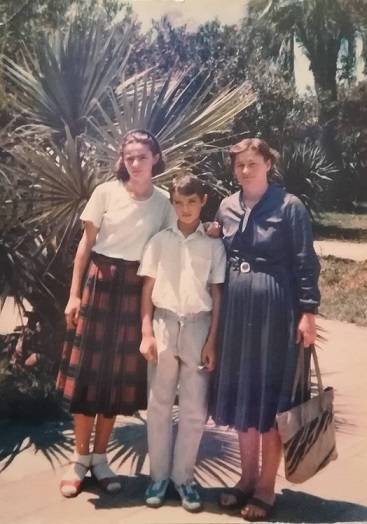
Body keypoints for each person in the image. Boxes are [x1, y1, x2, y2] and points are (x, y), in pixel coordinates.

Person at [56, 129, 176, 498]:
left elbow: (174, 244)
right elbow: (85, 247)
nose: (135, 163)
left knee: (115, 378)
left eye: (142, 156)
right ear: (122, 161)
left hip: (135, 291)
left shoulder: (164, 202)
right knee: (88, 375)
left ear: (155, 157)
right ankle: (80, 461)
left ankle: (101, 458)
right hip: (99, 284)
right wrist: (74, 295)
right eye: (129, 157)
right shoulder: (105, 193)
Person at [210, 138, 320, 521]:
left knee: (271, 398)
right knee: (244, 395)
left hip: (276, 312)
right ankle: (245, 479)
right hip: (237, 314)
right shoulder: (225, 206)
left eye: (253, 164)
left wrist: (308, 313)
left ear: (268, 164)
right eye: (239, 165)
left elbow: (306, 263)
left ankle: (266, 487)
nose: (245, 171)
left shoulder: (290, 207)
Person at [138, 174, 226, 512]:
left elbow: (217, 294)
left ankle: (183, 478)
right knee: (159, 404)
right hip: (162, 323)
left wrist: (212, 340)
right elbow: (147, 290)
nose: (185, 208)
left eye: (192, 202)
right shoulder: (159, 241)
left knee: (193, 408)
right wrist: (147, 332)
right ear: (172, 203)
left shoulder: (213, 244)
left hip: (198, 327)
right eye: (178, 202)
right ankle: (158, 476)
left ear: (203, 201)